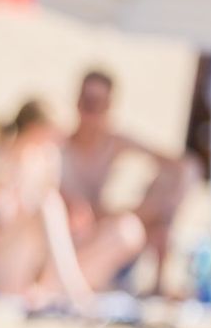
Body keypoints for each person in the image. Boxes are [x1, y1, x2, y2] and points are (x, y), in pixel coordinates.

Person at [0, 100, 144, 313]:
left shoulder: (45, 161)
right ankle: (77, 295)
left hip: (35, 269)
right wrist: (3, 214)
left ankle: (60, 291)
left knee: (124, 231)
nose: (59, 142)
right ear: (35, 129)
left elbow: (53, 230)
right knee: (47, 205)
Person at [62, 69, 201, 296]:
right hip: (72, 239)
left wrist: (156, 209)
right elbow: (76, 213)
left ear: (108, 107)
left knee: (140, 223)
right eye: (87, 102)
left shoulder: (114, 143)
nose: (91, 111)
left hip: (103, 232)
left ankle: (156, 280)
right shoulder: (60, 149)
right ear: (77, 102)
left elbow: (182, 166)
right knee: (125, 229)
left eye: (98, 104)